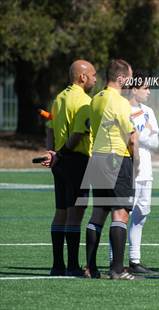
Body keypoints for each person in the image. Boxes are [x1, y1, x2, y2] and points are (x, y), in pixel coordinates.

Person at [84, 59, 139, 280]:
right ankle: (117, 269)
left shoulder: (95, 99)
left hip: (97, 159)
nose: (131, 81)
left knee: (98, 212)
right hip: (117, 158)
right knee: (120, 214)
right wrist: (137, 163)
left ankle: (90, 267)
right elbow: (132, 138)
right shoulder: (121, 103)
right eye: (130, 77)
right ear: (120, 78)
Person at [43, 60, 96, 276]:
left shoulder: (59, 97)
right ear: (82, 77)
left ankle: (57, 265)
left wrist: (51, 153)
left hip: (60, 162)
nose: (94, 78)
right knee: (76, 215)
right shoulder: (84, 101)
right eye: (93, 75)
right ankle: (73, 266)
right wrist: (62, 153)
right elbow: (76, 136)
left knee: (61, 213)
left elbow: (49, 129)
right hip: (76, 161)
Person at [126, 71, 159, 274]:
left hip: (146, 170)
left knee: (142, 214)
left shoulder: (148, 111)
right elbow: (127, 139)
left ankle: (134, 260)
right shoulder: (122, 109)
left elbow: (155, 142)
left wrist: (142, 134)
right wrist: (143, 134)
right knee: (122, 215)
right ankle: (116, 259)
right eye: (145, 87)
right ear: (134, 89)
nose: (148, 91)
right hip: (129, 169)